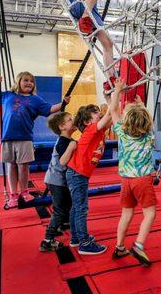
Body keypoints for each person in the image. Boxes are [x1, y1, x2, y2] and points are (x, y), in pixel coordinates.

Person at [0, 73, 70, 209]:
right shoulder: (9, 95)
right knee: (11, 165)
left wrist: (63, 103)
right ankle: (13, 195)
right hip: (8, 137)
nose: (29, 83)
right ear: (18, 81)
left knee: (23, 166)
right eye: (26, 80)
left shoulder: (35, 99)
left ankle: (24, 191)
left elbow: (49, 109)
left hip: (25, 137)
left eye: (31, 81)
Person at [42, 0, 115, 91]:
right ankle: (85, 19)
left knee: (108, 43)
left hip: (92, 12)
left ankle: (110, 79)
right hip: (77, 4)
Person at [109, 80, 156, 266]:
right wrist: (142, 106)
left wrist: (118, 91)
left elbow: (113, 110)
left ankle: (120, 247)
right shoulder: (148, 136)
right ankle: (138, 244)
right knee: (150, 214)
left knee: (126, 215)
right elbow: (147, 121)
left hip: (126, 181)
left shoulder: (122, 133)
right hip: (142, 181)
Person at [66, 103, 111, 255]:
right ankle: (84, 243)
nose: (99, 113)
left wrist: (109, 98)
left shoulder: (98, 130)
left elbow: (112, 116)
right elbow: (108, 115)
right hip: (77, 174)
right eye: (95, 112)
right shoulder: (91, 130)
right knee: (81, 209)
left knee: (76, 207)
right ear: (87, 121)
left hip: (78, 174)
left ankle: (76, 238)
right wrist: (116, 92)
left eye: (99, 111)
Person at [40, 111, 76, 252]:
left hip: (57, 180)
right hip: (56, 181)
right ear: (62, 126)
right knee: (59, 210)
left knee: (68, 203)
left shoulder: (66, 140)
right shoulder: (64, 142)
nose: (73, 121)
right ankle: (47, 240)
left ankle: (63, 223)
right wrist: (73, 146)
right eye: (70, 119)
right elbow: (63, 161)